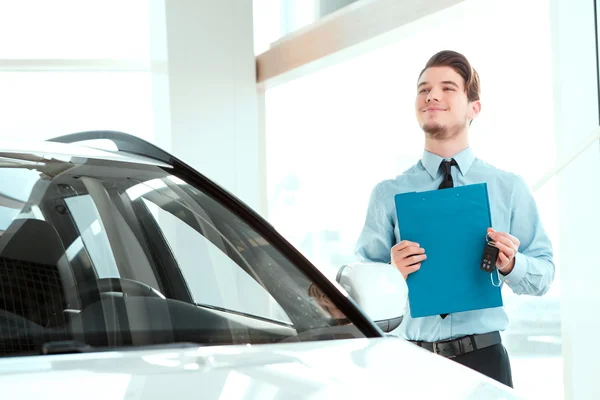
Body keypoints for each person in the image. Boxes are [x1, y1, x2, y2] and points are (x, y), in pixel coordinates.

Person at [354, 50, 555, 387]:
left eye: (447, 88)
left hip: (485, 363)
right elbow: (358, 293)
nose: (432, 95)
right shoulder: (386, 194)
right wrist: (390, 275)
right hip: (411, 363)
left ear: (474, 107)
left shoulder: (508, 188)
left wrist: (511, 264)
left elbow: (545, 274)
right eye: (423, 89)